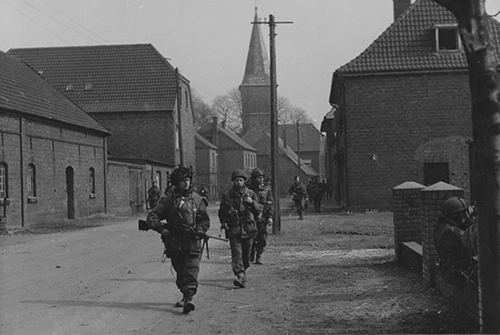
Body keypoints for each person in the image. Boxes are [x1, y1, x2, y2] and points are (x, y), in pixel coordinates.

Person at [145, 166, 210, 314]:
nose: (186, 183)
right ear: (176, 182)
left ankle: (189, 298)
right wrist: (162, 229)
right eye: (182, 180)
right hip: (174, 242)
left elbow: (204, 220)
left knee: (191, 269)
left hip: (192, 241)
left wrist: (200, 230)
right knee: (180, 271)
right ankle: (185, 294)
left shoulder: (198, 199)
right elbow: (152, 217)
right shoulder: (168, 200)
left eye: (188, 180)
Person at [218, 169, 262, 288]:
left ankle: (244, 270)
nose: (238, 182)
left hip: (249, 228)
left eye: (241, 180)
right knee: (237, 253)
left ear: (244, 181)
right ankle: (240, 274)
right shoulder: (227, 195)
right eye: (236, 180)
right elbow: (222, 212)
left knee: (246, 255)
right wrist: (223, 223)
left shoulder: (251, 194)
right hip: (234, 229)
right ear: (233, 181)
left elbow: (258, 209)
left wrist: (252, 202)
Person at [434, 196, 478, 285]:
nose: (466, 216)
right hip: (457, 273)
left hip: (447, 269)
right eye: (463, 213)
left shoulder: (442, 226)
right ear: (456, 215)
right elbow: (467, 246)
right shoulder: (452, 231)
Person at [247, 168, 274, 265]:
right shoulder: (248, 189)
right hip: (251, 217)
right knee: (252, 236)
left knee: (262, 237)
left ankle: (259, 255)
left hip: (263, 216)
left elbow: (270, 203)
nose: (261, 180)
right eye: (258, 178)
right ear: (254, 178)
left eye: (262, 177)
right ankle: (251, 254)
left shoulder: (266, 189)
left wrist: (270, 216)